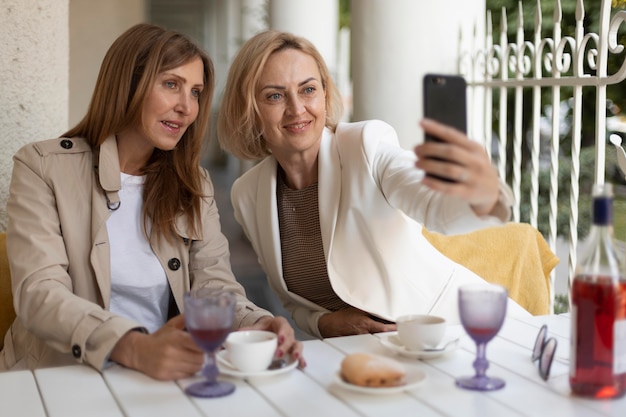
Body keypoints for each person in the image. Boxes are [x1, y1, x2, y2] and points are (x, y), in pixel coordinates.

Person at [0, 24, 304, 380]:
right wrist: (133, 347)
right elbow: (40, 294)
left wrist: (258, 323)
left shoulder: (194, 185)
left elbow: (214, 287)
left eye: (196, 92)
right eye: (171, 84)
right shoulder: (43, 167)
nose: (186, 107)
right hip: (57, 377)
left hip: (158, 376)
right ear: (127, 84)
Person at [217, 30, 557, 339]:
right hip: (359, 356)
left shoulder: (365, 144)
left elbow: (430, 202)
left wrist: (479, 196)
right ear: (250, 109)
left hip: (456, 332)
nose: (297, 109)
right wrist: (322, 323)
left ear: (323, 93)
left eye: (308, 90)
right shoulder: (247, 194)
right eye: (275, 96)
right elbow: (292, 301)